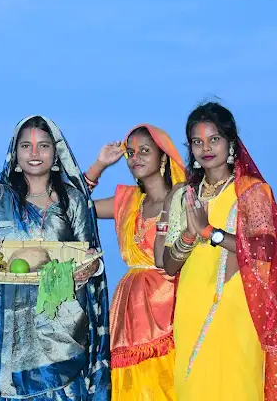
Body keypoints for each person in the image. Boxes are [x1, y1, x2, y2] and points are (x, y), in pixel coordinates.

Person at [0, 115, 111, 401]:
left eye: (43, 146)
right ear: (15, 154)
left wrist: (88, 269)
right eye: (26, 146)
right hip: (8, 326)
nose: (34, 153)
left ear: (56, 153)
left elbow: (90, 255)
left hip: (61, 326)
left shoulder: (72, 201)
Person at [162, 102, 277, 399]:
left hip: (237, 304)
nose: (206, 148)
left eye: (214, 139)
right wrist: (190, 234)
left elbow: (265, 251)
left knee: (236, 385)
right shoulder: (184, 196)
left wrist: (209, 232)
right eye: (197, 142)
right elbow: (169, 265)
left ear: (230, 142)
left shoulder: (251, 191)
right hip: (191, 303)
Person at [85, 125, 186, 400]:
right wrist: (99, 165)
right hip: (128, 311)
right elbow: (74, 207)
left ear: (163, 156)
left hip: (170, 308)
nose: (135, 158)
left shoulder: (184, 199)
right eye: (130, 153)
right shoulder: (127, 201)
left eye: (144, 150)